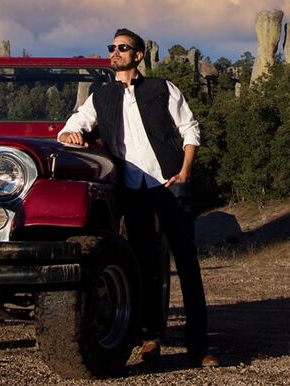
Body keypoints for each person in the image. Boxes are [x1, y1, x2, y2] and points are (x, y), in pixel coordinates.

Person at [58, 28, 218, 368]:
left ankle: (198, 345)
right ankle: (150, 338)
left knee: (186, 263)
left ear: (138, 55)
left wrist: (186, 171)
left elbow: (190, 129)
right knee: (144, 265)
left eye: (122, 48)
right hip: (132, 189)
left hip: (170, 183)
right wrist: (70, 132)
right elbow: (74, 123)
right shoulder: (101, 96)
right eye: (112, 47)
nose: (114, 53)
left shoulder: (162, 89)